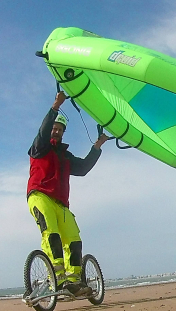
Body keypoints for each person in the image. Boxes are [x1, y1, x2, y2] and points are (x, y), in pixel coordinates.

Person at [27, 91, 109, 296]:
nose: (55, 132)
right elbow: (42, 132)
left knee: (73, 240)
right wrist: (55, 106)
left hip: (62, 204)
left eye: (59, 130)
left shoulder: (64, 156)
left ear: (63, 132)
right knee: (52, 234)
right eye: (53, 128)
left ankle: (73, 282)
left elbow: (82, 168)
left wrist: (97, 146)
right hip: (40, 195)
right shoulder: (40, 148)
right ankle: (57, 279)